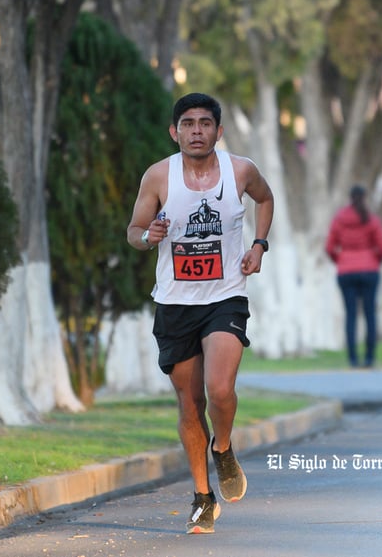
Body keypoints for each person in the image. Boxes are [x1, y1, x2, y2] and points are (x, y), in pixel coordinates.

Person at [126, 93, 274, 534]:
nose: (196, 131)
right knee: (190, 404)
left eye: (205, 123)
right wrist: (148, 236)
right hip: (175, 303)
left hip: (225, 296)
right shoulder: (158, 176)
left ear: (218, 131)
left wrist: (259, 245)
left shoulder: (240, 170)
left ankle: (223, 447)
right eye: (187, 123)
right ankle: (202, 497)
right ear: (175, 132)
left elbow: (265, 200)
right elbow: (134, 231)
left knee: (220, 387)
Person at [325, 185, 382, 368]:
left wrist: (341, 260)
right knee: (370, 314)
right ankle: (369, 358)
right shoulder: (371, 219)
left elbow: (330, 247)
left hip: (346, 271)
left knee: (351, 315)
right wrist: (374, 260)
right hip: (369, 270)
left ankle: (353, 359)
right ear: (365, 197)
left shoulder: (339, 219)